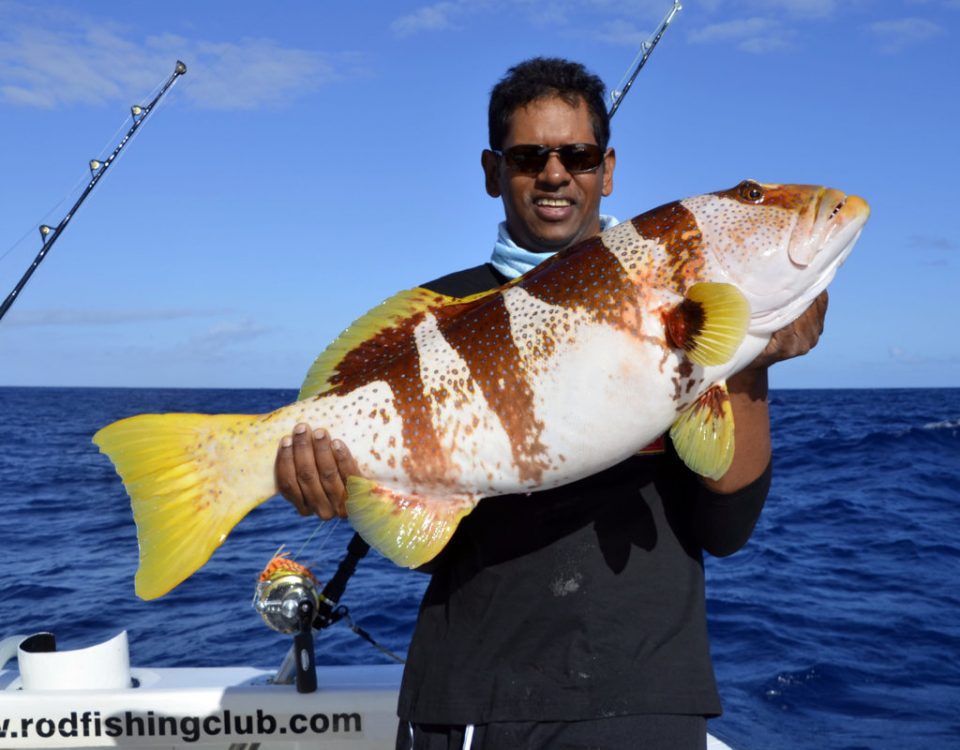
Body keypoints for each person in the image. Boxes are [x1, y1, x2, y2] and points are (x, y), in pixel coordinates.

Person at [274, 58, 828, 750]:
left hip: (646, 692)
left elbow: (726, 529)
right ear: (491, 171)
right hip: (471, 693)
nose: (556, 173)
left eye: (579, 155)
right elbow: (417, 549)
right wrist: (332, 476)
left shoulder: (679, 307)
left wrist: (753, 361)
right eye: (529, 156)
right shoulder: (444, 317)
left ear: (609, 168)